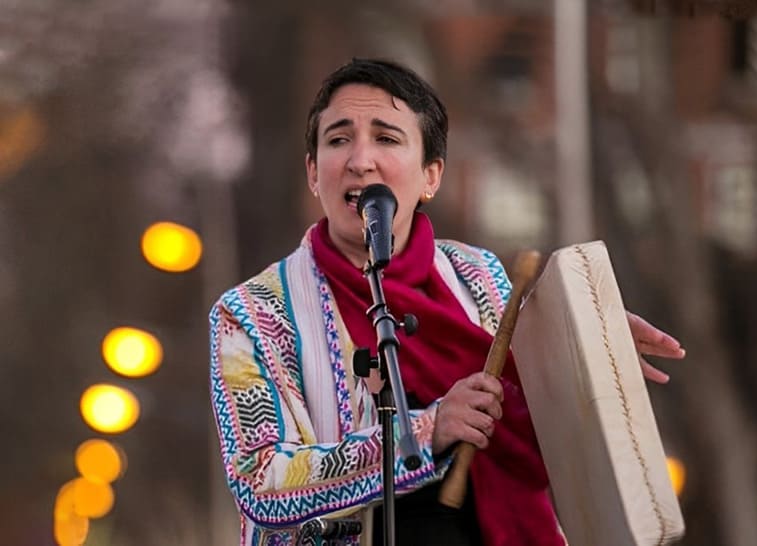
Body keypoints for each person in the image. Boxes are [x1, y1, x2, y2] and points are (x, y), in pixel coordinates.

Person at [208, 58, 686, 546]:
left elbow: (531, 401)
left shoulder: (475, 275)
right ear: (313, 172)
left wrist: (589, 343)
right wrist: (425, 431)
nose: (360, 160)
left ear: (430, 176)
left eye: (386, 138)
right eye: (338, 139)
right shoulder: (252, 313)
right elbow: (260, 482)